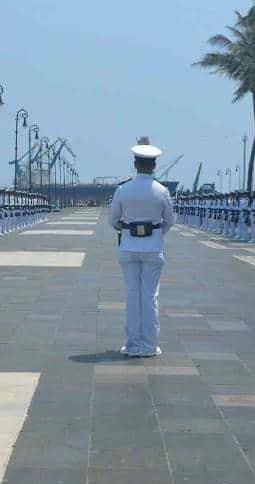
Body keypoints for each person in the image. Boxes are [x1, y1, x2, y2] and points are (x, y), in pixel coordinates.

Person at [108, 137, 174, 357]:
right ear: (154, 165)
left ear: (135, 164)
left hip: (128, 247)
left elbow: (113, 220)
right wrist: (155, 234)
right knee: (150, 297)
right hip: (153, 248)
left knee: (132, 296)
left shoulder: (123, 189)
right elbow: (169, 221)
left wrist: (127, 230)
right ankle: (149, 346)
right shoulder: (162, 190)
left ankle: (133, 345)